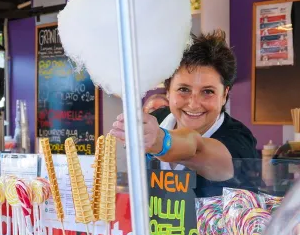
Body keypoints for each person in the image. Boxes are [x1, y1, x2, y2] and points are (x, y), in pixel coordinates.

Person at [110, 31, 259, 197]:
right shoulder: (158, 119)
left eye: (208, 91)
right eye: (183, 89)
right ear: (168, 91)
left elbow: (197, 148)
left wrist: (161, 141)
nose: (194, 103)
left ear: (224, 94)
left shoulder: (238, 139)